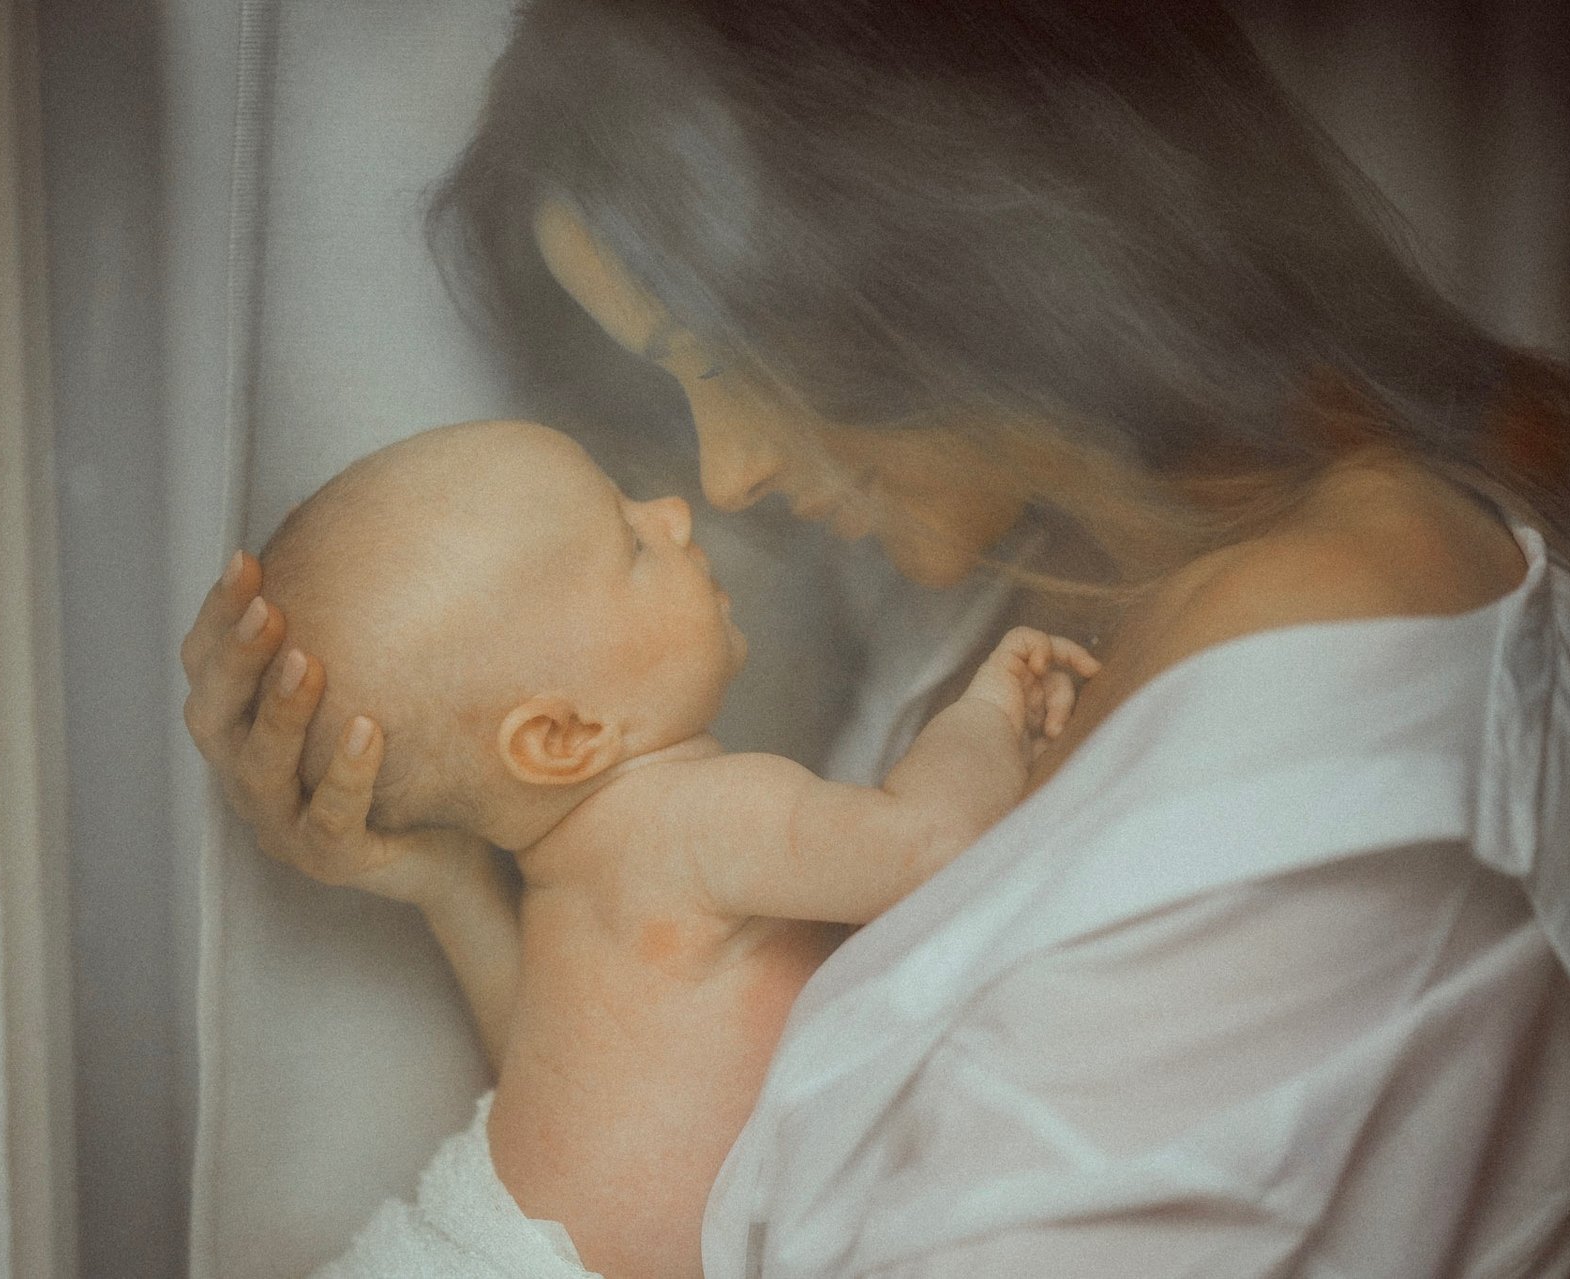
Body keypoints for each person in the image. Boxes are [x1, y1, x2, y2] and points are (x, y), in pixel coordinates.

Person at [181, 2, 1570, 1273]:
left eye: (725, 361)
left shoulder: (1333, 688)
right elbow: (643, 1141)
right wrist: (440, 876)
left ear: (929, 245)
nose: (722, 476)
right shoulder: (1021, 569)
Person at [247, 418, 1096, 1278]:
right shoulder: (701, 818)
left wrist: (451, 885)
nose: (675, 513)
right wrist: (990, 714)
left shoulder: (568, 878)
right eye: (632, 542)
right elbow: (930, 845)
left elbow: (555, 1096)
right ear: (562, 736)